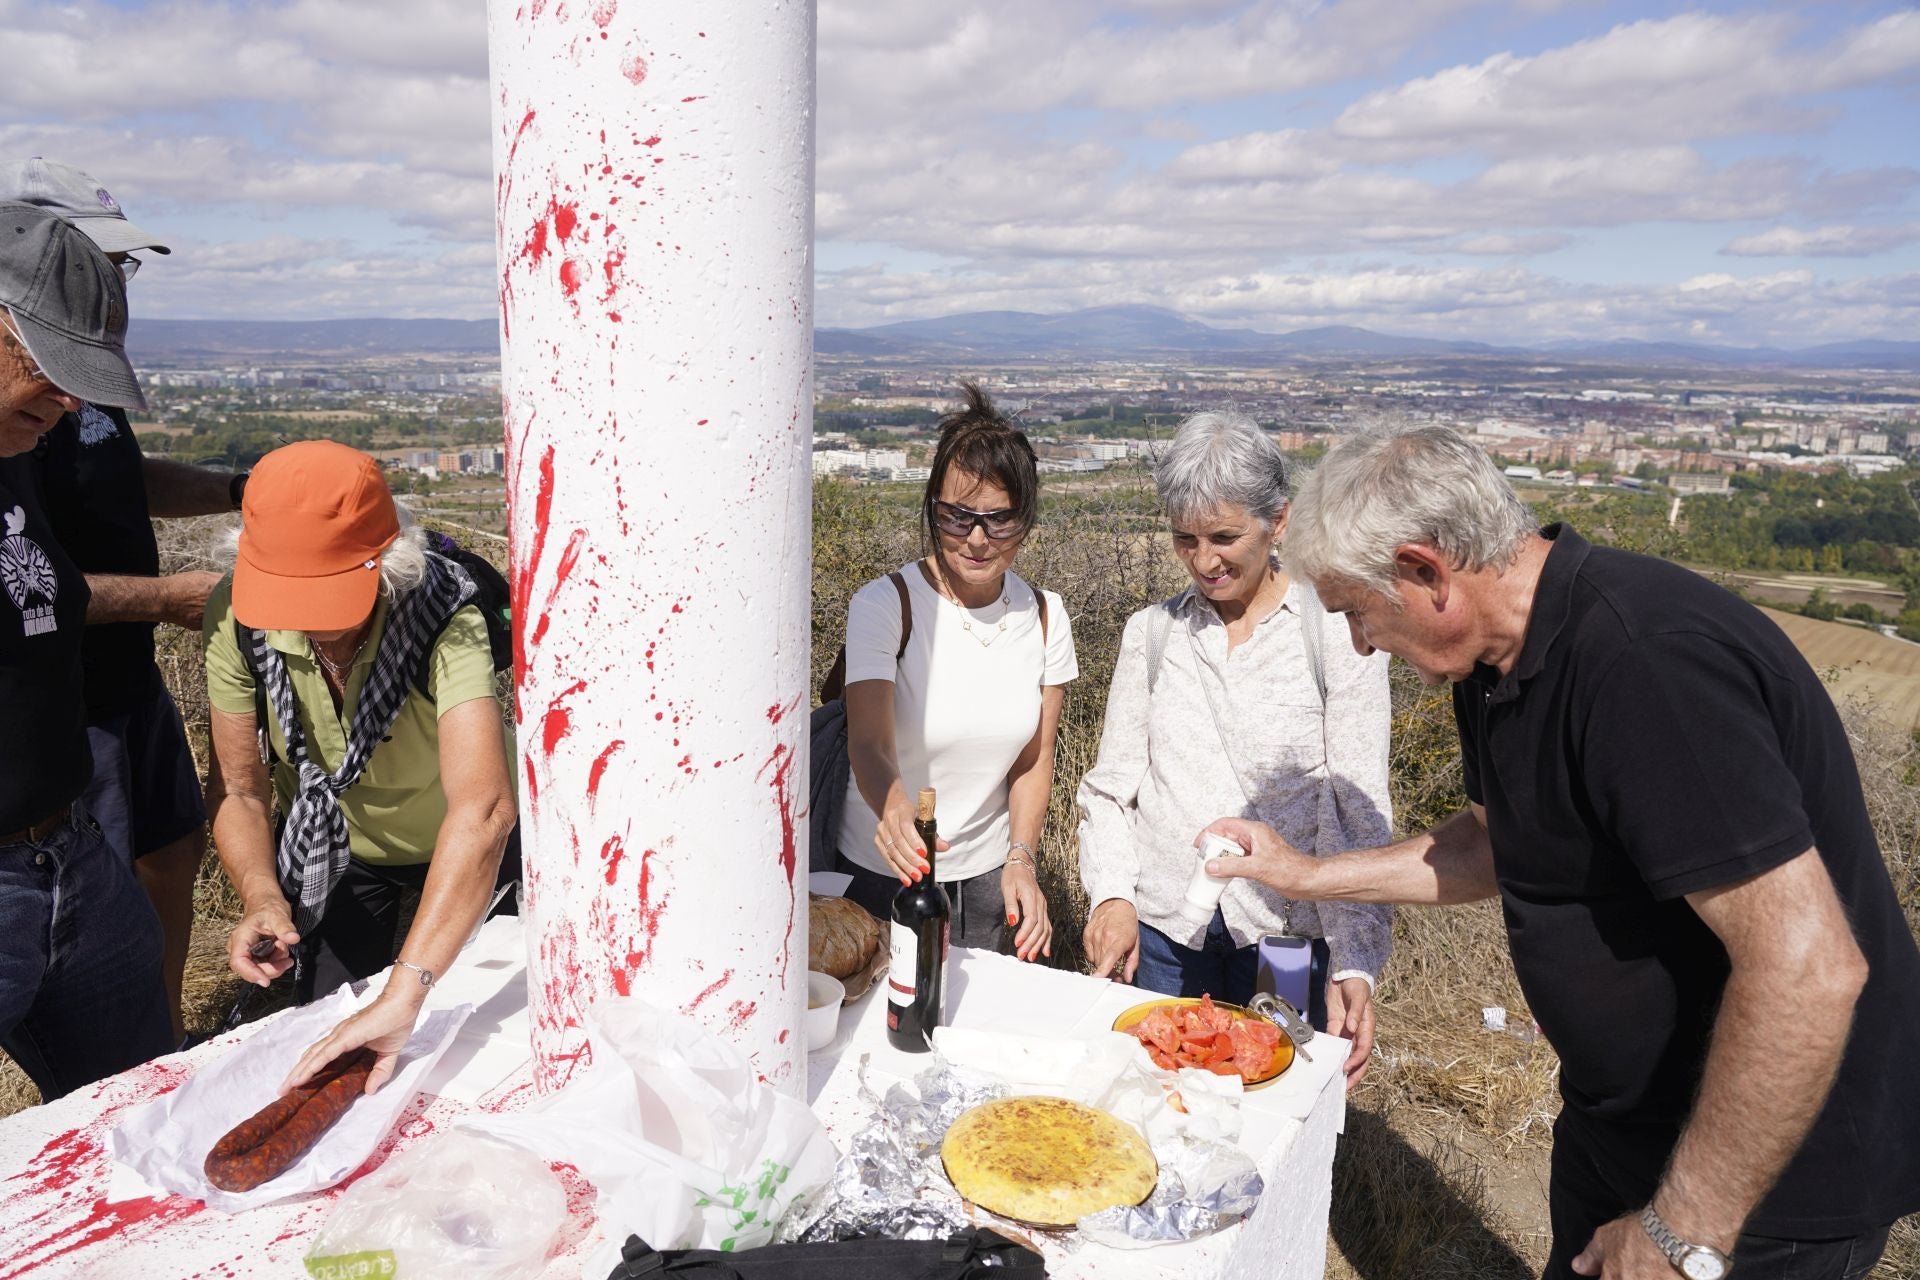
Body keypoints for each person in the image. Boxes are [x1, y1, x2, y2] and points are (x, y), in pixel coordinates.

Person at [1204, 421, 1920, 1280]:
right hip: (1623, 1131)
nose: (1361, 643)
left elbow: (1808, 966)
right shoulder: (1494, 661)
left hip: (1763, 1181)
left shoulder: (1645, 667)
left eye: (1358, 612)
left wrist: (1682, 1228)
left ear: (1426, 572)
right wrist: (1306, 874)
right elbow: (1496, 844)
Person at [1076, 413, 1391, 1084]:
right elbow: (1111, 789)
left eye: (1224, 537)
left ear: (1278, 521)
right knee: (1155, 1093)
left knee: (1276, 1102)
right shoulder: (1152, 635)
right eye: (1184, 539)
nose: (1204, 561)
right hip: (1163, 929)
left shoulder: (1336, 635)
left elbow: (1358, 811)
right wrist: (1111, 897)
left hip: (1285, 934)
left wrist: (1354, 958)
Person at [4, 159, 237, 1043]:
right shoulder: (16, 419)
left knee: (166, 861)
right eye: (96, 260)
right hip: (63, 729)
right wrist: (169, 599)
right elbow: (37, 587)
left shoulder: (41, 408)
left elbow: (107, 496)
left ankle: (162, 1045)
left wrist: (238, 491)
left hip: (96, 749)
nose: (70, 399)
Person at [203, 441, 518, 1094]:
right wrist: (262, 895)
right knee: (332, 1042)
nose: (309, 623)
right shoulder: (238, 617)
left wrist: (406, 990)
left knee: (490, 1039)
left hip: (466, 844)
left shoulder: (444, 614)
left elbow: (482, 809)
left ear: (388, 565)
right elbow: (239, 789)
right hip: (348, 849)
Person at [0, 200, 173, 1098]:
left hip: (68, 852)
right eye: (54, 370)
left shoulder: (14, 447)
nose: (71, 402)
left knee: (141, 1113)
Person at [834, 382, 1076, 957]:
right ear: (932, 509)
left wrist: (1022, 857)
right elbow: (867, 744)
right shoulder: (886, 604)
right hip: (881, 871)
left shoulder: (1045, 616)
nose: (975, 539)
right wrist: (895, 810)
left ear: (1026, 521)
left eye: (998, 521)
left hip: (987, 883)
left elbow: (1033, 760)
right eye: (955, 517)